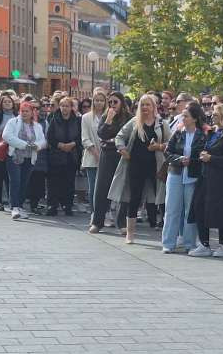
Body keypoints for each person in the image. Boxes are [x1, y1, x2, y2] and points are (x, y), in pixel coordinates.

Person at [108, 94, 170, 244]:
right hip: (135, 165)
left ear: (154, 107)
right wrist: (122, 149)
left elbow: (170, 143)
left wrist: (159, 146)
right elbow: (119, 137)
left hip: (156, 166)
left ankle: (167, 234)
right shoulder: (135, 122)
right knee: (134, 198)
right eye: (142, 105)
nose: (145, 108)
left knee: (162, 199)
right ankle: (130, 233)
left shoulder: (162, 123)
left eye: (148, 105)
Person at [189, 103, 223, 258]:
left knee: (220, 210)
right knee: (199, 206)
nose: (212, 117)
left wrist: (211, 158)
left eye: (216, 115)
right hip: (205, 176)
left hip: (222, 179)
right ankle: (204, 243)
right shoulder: (213, 133)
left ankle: (222, 244)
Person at [162, 101, 205, 253]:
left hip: (192, 176)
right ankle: (168, 243)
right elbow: (167, 152)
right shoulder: (178, 133)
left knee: (189, 211)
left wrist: (191, 161)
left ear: (194, 118)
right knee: (172, 208)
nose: (183, 119)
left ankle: (189, 244)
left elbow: (202, 156)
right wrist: (179, 159)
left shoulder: (202, 135)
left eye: (186, 116)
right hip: (175, 173)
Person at [88, 92, 130, 234]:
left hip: (121, 156)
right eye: (110, 102)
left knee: (122, 189)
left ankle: (121, 223)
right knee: (101, 188)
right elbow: (101, 134)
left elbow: (127, 137)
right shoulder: (106, 116)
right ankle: (97, 222)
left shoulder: (129, 118)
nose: (112, 105)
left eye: (115, 102)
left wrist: (113, 141)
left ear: (121, 103)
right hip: (107, 156)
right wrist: (108, 121)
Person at [2, 101, 48, 220]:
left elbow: (43, 141)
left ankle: (20, 205)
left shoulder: (37, 126)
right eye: (22, 111)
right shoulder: (13, 122)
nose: (24, 113)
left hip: (30, 157)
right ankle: (14, 207)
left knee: (24, 182)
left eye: (27, 111)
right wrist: (24, 145)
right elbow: (7, 136)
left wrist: (36, 146)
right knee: (15, 181)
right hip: (15, 156)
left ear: (32, 112)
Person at [46, 96, 82, 216]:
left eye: (67, 106)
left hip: (71, 155)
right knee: (53, 182)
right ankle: (52, 206)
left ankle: (68, 205)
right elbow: (50, 137)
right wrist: (60, 145)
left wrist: (73, 144)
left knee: (69, 183)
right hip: (56, 155)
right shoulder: (53, 118)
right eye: (62, 106)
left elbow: (80, 137)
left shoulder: (77, 120)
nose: (64, 108)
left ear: (71, 107)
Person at [81, 90, 107, 208]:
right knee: (93, 186)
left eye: (102, 100)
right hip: (91, 156)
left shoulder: (109, 116)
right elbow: (84, 138)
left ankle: (105, 212)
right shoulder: (86, 117)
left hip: (107, 155)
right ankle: (94, 212)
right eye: (97, 100)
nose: (99, 103)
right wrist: (96, 153)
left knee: (105, 187)